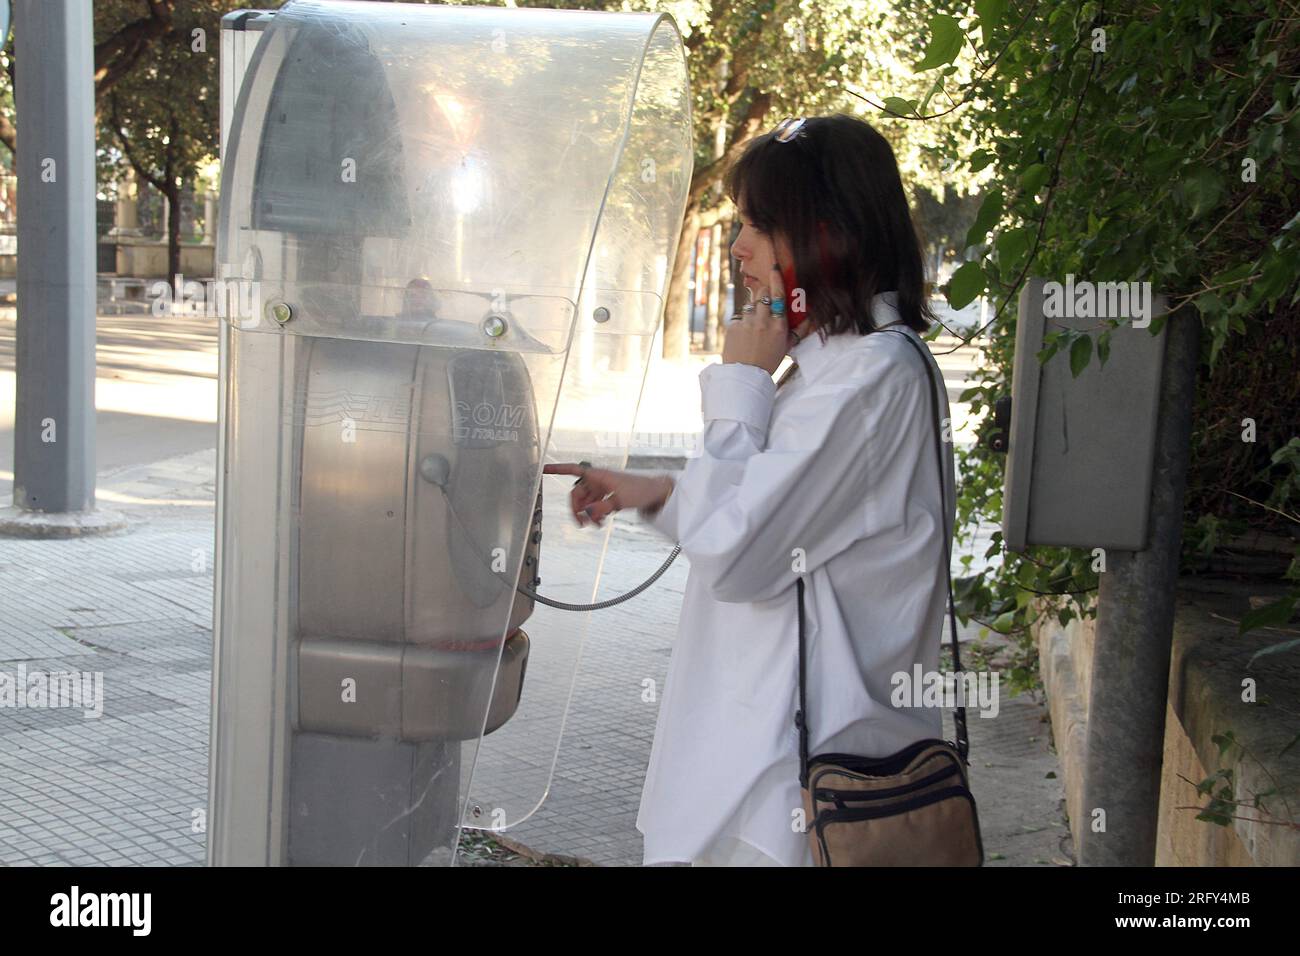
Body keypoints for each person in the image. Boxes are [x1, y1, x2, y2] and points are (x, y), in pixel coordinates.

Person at [544, 114, 955, 867]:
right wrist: (652, 493)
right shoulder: (839, 366)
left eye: (762, 226)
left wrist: (739, 387)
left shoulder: (867, 380)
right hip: (761, 765)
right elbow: (758, 518)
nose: (739, 249)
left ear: (831, 233)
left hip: (787, 786)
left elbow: (737, 558)